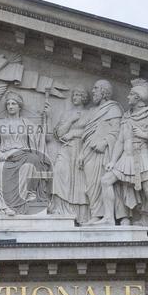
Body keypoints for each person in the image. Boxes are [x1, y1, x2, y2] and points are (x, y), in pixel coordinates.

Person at [100, 79, 148, 236]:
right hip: (126, 158)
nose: (127, 97)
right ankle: (108, 218)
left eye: (131, 94)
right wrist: (113, 160)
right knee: (106, 181)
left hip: (143, 157)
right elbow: (120, 140)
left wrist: (145, 135)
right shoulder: (126, 116)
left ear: (138, 98)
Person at [0, 91, 52, 215]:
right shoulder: (1, 124)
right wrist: (0, 155)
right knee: (0, 168)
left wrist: (48, 118)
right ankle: (7, 205)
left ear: (19, 106)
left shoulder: (26, 124)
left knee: (33, 160)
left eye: (13, 103)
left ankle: (27, 195)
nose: (10, 106)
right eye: (8, 104)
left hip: (23, 155)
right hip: (6, 157)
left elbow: (44, 138)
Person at [79, 80, 122, 223]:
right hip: (88, 151)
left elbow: (117, 131)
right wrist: (81, 152)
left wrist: (104, 143)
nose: (93, 91)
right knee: (91, 185)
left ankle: (110, 216)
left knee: (102, 182)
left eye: (96, 88)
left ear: (104, 91)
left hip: (103, 152)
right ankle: (96, 214)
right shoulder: (93, 111)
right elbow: (85, 133)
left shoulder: (113, 109)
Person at [50, 87, 89, 223]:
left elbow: (92, 132)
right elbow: (59, 133)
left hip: (82, 150)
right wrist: (71, 120)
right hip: (66, 149)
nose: (75, 97)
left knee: (80, 180)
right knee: (59, 172)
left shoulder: (90, 113)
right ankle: (60, 209)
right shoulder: (67, 114)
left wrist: (74, 133)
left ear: (84, 97)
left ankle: (81, 215)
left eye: (78, 94)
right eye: (74, 94)